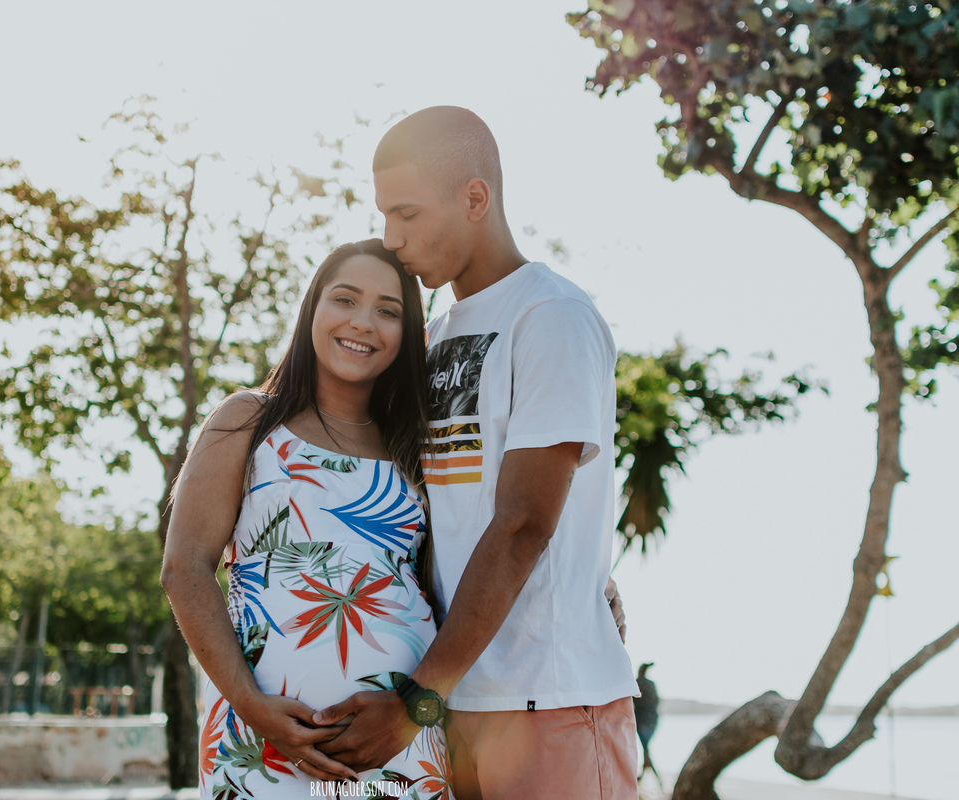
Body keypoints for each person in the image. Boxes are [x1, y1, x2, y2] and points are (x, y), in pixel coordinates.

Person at [311, 107, 640, 800]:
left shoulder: (551, 317)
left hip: (549, 701)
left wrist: (412, 707)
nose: (389, 238)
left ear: (474, 198)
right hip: (458, 707)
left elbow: (524, 523)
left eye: (406, 213)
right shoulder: (430, 334)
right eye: (382, 216)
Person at [161, 239, 452, 798]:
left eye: (388, 311)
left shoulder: (419, 450)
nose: (363, 323)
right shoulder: (248, 421)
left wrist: (595, 584)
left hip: (400, 745)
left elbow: (463, 567)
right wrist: (253, 708)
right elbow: (185, 568)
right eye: (345, 299)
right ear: (313, 308)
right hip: (259, 744)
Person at [635, 662, 661, 785]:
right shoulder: (651, 684)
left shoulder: (636, 683)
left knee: (646, 749)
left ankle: (655, 777)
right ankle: (646, 774)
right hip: (653, 720)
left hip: (641, 721)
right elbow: (657, 701)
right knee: (646, 748)